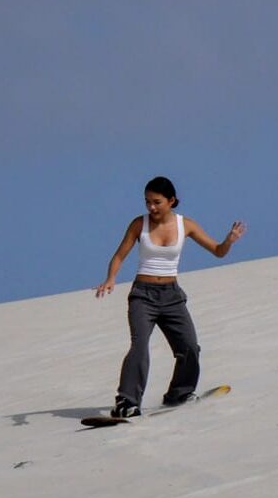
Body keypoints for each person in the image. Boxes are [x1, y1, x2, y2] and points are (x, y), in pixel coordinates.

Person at [95, 176, 246, 418]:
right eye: (147, 202)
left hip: (172, 296)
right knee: (139, 346)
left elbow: (218, 252)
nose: (151, 207)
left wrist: (228, 241)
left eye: (156, 202)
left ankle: (180, 393)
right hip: (142, 296)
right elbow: (119, 255)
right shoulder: (138, 224)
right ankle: (127, 401)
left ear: (171, 200)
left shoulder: (185, 225)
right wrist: (110, 278)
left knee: (189, 347)